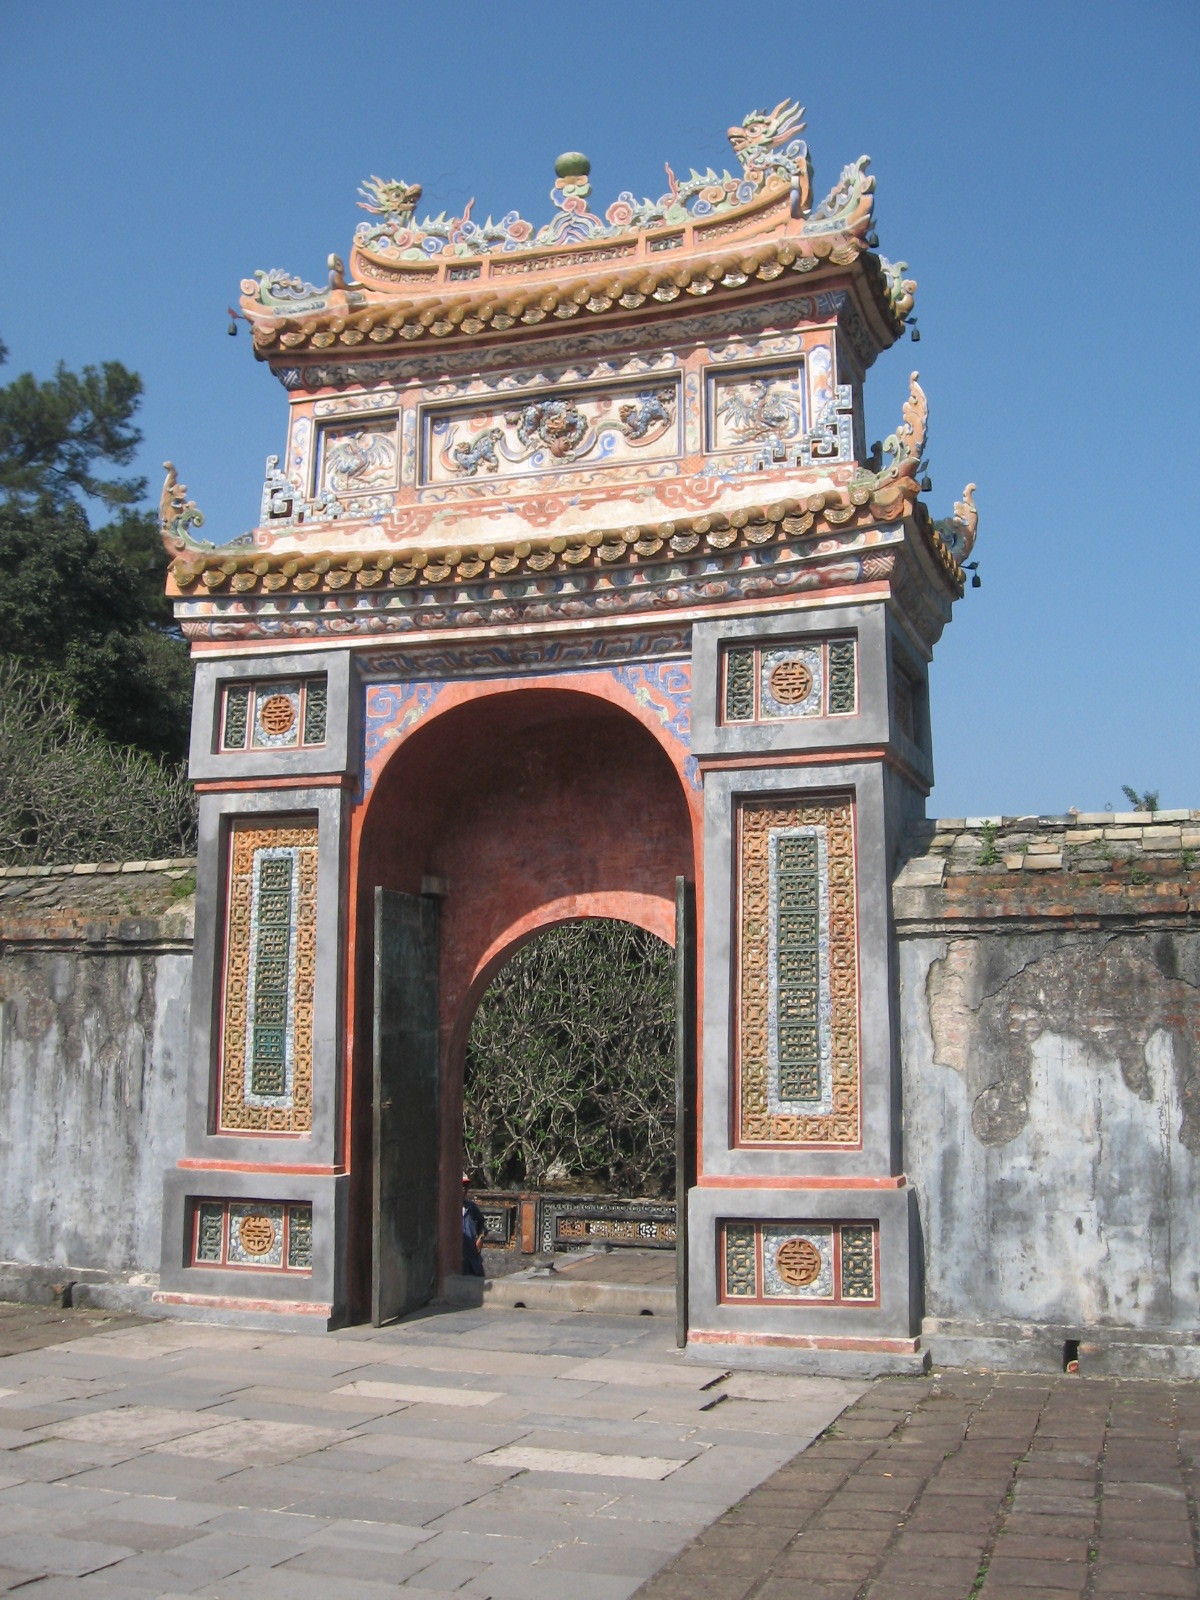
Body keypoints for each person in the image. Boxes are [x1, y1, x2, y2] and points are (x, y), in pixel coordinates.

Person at [461, 1172, 487, 1277]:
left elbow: (482, 1225)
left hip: (471, 1255)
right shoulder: (448, 1208)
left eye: (466, 1187)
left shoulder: (471, 1207)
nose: (464, 1189)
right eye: (461, 1186)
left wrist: (481, 1237)